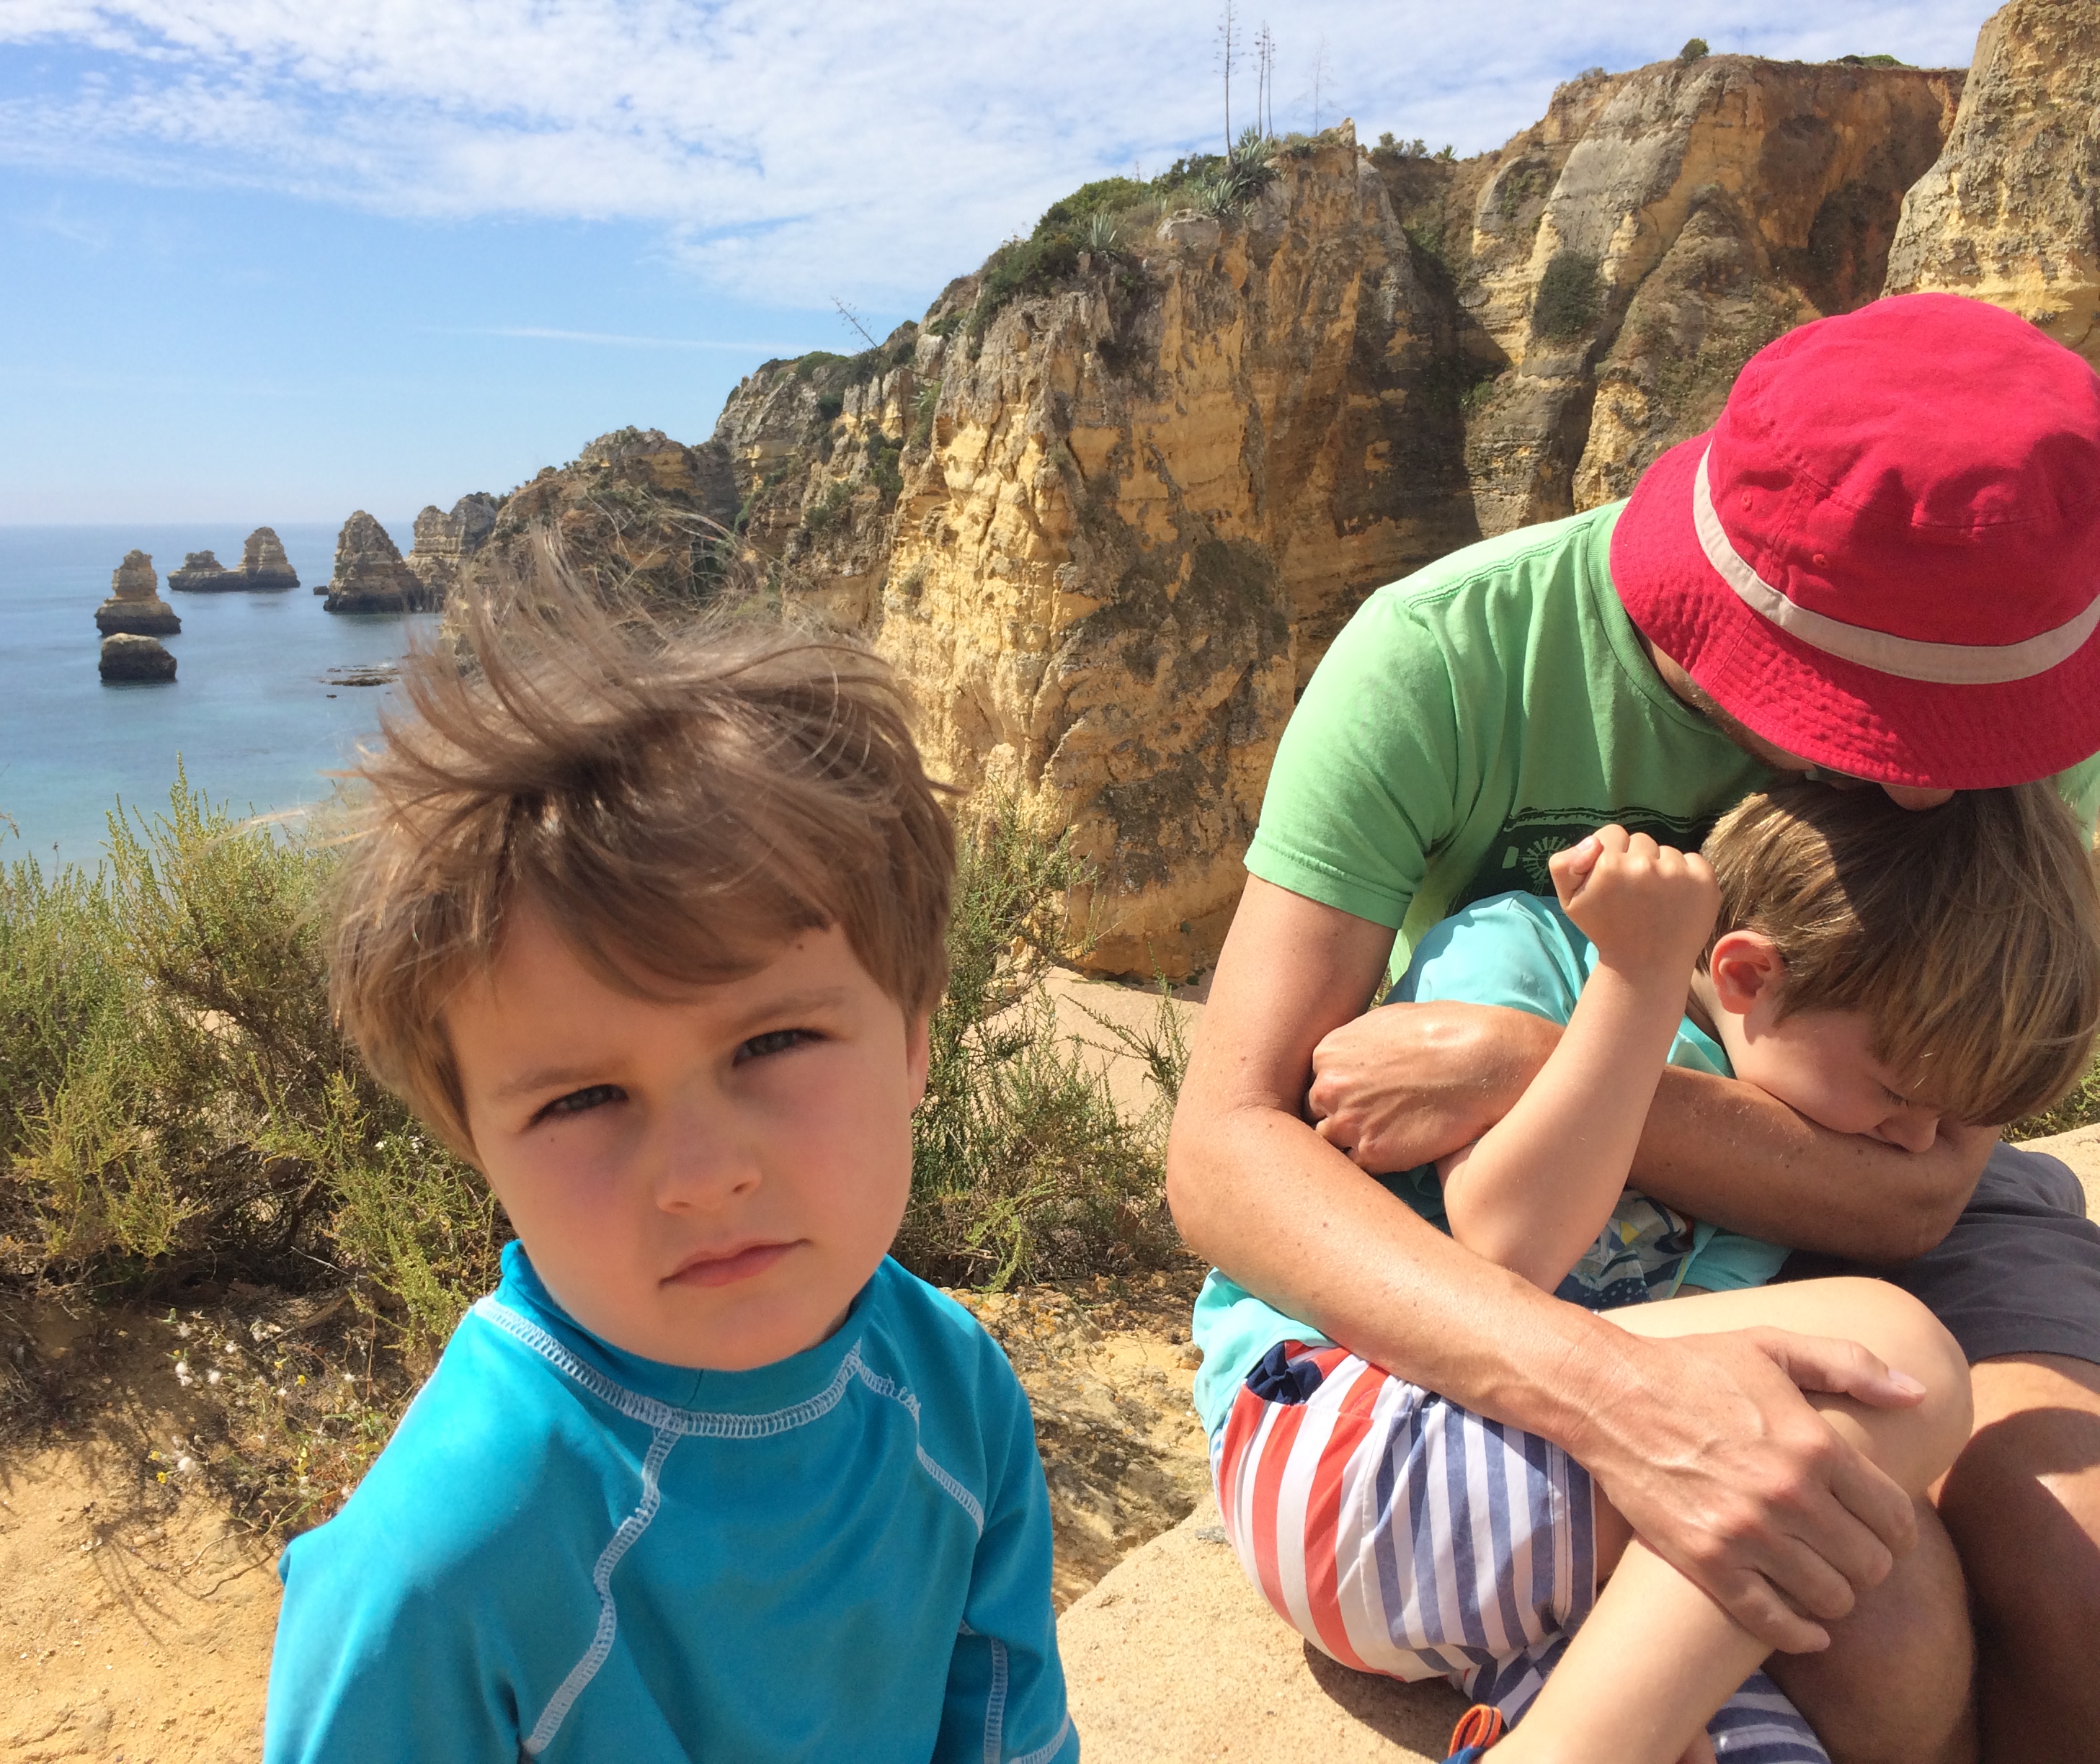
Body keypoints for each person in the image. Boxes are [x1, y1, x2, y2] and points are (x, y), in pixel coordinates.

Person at [1165, 291, 2100, 1764]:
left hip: (1791, 1194)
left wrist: (1528, 1065)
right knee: (1885, 1601)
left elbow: (1917, 1184)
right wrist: (1621, 1403)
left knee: (2072, 1583)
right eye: (1901, 734)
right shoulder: (1446, 657)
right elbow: (1228, 1152)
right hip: (1535, 1279)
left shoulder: (2009, 658)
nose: (1948, 788)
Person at [262, 565, 1075, 1764]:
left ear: (914, 1039)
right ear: (476, 1143)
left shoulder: (955, 1394)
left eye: (773, 1043)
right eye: (583, 1099)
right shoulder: (430, 1581)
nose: (701, 1175)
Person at [1198, 783, 2100, 1764]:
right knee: (1896, 1362)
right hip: (1357, 1431)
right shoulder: (1527, 953)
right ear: (1746, 975)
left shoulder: (1782, 1147)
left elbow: (1709, 1429)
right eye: (1896, 1095)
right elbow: (1511, 1248)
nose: (1917, 1144)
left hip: (1522, 1558)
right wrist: (1639, 978)